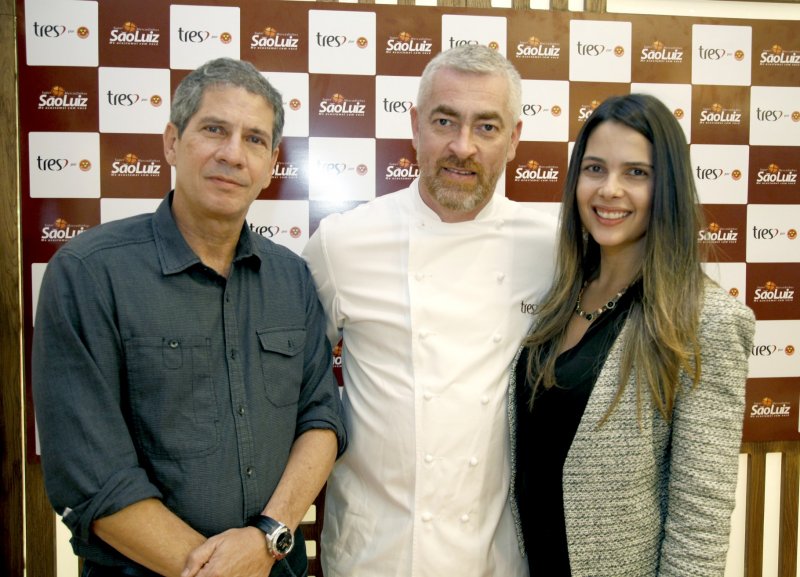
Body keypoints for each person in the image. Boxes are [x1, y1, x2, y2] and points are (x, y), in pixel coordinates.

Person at [32, 57, 347, 577]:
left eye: (254, 139)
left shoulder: (291, 278)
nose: (232, 154)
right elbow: (92, 477)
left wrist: (268, 536)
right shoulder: (88, 274)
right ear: (171, 142)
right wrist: (219, 570)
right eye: (214, 130)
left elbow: (321, 419)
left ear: (271, 165)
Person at [302, 44, 556, 577]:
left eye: (486, 127)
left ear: (514, 140)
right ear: (415, 126)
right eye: (445, 121)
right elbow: (293, 389)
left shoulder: (554, 250)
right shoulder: (344, 243)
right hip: (374, 555)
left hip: (498, 556)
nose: (462, 147)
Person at [511, 93, 755, 577]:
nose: (610, 190)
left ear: (667, 187)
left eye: (636, 173)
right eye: (595, 168)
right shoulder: (558, 295)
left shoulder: (703, 318)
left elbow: (700, 518)